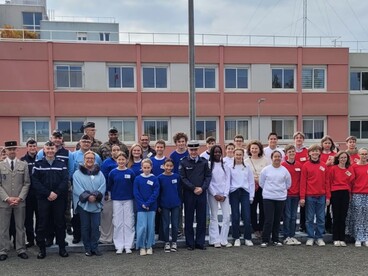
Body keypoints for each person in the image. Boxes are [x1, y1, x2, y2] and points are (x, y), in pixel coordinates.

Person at [32, 141, 69, 259]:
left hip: (59, 198)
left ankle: (62, 248)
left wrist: (56, 193)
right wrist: (48, 193)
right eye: (48, 148)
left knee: (60, 223)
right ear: (44, 149)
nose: (50, 151)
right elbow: (35, 181)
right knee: (42, 223)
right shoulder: (38, 163)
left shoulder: (61, 163)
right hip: (43, 198)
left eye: (52, 148)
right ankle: (42, 249)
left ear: (56, 150)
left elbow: (65, 180)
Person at [36, 130, 74, 244]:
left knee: (61, 215)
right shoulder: (41, 152)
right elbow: (38, 172)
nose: (57, 139)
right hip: (46, 190)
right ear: (51, 138)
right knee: (47, 216)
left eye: (59, 137)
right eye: (55, 137)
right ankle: (49, 238)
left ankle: (60, 239)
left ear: (62, 139)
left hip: (62, 190)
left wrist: (60, 188)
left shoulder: (68, 153)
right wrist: (47, 192)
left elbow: (70, 171)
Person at [0, 141, 30, 261]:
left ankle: (21, 249)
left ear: (16, 150)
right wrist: (7, 198)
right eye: (9, 149)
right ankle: (3, 250)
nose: (12, 151)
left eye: (13, 149)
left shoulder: (23, 165)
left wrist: (20, 198)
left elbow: (26, 183)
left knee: (20, 226)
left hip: (19, 201)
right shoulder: (0, 165)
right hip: (4, 202)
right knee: (3, 227)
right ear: (5, 151)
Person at [180, 140, 212, 250]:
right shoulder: (183, 162)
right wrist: (193, 188)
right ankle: (190, 243)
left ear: (198, 150)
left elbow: (208, 177)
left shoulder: (203, 162)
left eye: (195, 150)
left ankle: (200, 242)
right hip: (189, 194)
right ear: (188, 150)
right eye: (191, 150)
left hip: (201, 194)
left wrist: (202, 188)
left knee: (201, 219)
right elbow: (182, 178)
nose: (193, 152)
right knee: (188, 219)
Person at [73, 151, 106, 256]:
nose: (90, 160)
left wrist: (95, 196)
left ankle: (95, 247)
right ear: (84, 159)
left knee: (96, 226)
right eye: (87, 158)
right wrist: (88, 197)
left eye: (92, 158)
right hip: (84, 205)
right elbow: (77, 188)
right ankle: (87, 248)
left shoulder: (100, 173)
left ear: (94, 160)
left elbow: (103, 186)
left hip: (95, 204)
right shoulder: (77, 173)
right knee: (85, 226)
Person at [72, 134, 102, 244]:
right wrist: (85, 196)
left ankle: (94, 243)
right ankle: (80, 239)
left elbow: (100, 178)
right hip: (80, 195)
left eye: (88, 142)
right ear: (80, 142)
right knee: (80, 220)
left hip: (94, 196)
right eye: (84, 141)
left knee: (94, 223)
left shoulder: (97, 156)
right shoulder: (73, 155)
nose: (86, 143)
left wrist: (95, 195)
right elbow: (71, 173)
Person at [299, 144, 330, 246]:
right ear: (309, 153)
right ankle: (311, 237)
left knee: (321, 217)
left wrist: (328, 197)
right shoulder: (306, 166)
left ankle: (319, 237)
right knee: (309, 218)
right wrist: (302, 197)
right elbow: (303, 182)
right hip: (310, 196)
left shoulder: (324, 165)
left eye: (317, 151)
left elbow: (327, 182)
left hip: (321, 196)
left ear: (319, 153)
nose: (315, 153)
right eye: (313, 151)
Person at [259, 150, 291, 247]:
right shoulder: (266, 170)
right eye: (275, 156)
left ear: (281, 158)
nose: (277, 158)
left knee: (277, 219)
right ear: (272, 158)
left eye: (279, 156)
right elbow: (261, 183)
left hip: (280, 198)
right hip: (268, 197)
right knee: (269, 219)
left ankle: (275, 239)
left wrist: (280, 191)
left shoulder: (284, 170)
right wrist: (270, 190)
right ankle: (265, 240)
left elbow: (288, 184)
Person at [107, 152, 135, 254]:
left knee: (128, 223)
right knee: (118, 223)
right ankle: (119, 246)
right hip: (117, 200)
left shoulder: (131, 172)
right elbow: (109, 185)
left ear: (127, 160)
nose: (121, 161)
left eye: (123, 159)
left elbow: (133, 185)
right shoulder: (113, 173)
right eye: (119, 160)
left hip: (128, 199)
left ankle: (128, 245)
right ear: (116, 161)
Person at [134, 159, 160, 256]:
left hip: (151, 207)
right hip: (141, 207)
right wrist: (142, 204)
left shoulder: (154, 179)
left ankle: (149, 245)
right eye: (144, 167)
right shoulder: (137, 179)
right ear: (141, 168)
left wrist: (148, 204)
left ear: (151, 168)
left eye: (148, 167)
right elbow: (136, 193)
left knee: (150, 227)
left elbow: (155, 192)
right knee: (142, 227)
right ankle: (141, 246)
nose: (146, 169)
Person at [229, 148, 254, 247]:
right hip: (234, 192)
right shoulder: (230, 167)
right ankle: (236, 237)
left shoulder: (247, 167)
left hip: (245, 192)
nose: (238, 156)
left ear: (243, 156)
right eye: (237, 154)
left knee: (247, 216)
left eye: (240, 155)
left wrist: (251, 195)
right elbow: (228, 181)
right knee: (235, 216)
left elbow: (251, 182)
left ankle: (247, 238)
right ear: (234, 155)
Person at [208, 145, 232, 248]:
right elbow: (208, 181)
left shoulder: (225, 165)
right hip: (212, 194)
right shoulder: (209, 165)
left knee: (226, 217)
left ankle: (224, 239)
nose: (217, 154)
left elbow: (228, 180)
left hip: (224, 194)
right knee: (214, 217)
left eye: (219, 152)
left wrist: (225, 194)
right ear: (212, 153)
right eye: (215, 152)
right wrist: (214, 194)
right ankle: (215, 240)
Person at [329, 151, 354, 247]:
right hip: (335, 192)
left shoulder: (349, 169)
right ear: (338, 158)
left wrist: (350, 194)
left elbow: (351, 182)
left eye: (345, 157)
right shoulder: (333, 169)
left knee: (343, 216)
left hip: (345, 193)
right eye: (341, 157)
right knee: (336, 216)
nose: (343, 159)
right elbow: (330, 181)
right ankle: (336, 238)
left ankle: (342, 238)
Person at [244, 140, 269, 238]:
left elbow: (268, 173)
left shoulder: (265, 160)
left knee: (263, 208)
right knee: (252, 208)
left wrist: (260, 179)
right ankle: (255, 229)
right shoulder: (246, 161)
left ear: (260, 149)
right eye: (252, 148)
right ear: (249, 150)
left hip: (263, 187)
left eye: (256, 148)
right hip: (251, 187)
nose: (254, 150)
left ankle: (262, 228)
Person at [158, 159, 181, 253]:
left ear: (173, 167)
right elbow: (158, 192)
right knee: (165, 224)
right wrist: (158, 205)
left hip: (175, 204)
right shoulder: (159, 178)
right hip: (164, 204)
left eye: (171, 166)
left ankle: (174, 242)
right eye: (167, 166)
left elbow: (179, 190)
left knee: (175, 224)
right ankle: (167, 242)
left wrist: (180, 202)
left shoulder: (177, 177)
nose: (169, 168)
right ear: (163, 166)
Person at [99, 144, 121, 245]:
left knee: (117, 217)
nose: (116, 151)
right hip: (109, 193)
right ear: (111, 152)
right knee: (106, 216)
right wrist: (106, 191)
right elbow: (103, 178)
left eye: (117, 149)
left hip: (120, 194)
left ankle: (117, 237)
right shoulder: (106, 162)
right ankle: (105, 238)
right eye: (114, 150)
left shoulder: (124, 161)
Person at [347, 148, 368, 247]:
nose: (364, 156)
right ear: (358, 155)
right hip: (357, 193)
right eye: (362, 154)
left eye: (366, 154)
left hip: (367, 194)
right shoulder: (354, 167)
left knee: (366, 217)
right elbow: (350, 181)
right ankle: (358, 237)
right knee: (358, 217)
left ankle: (366, 237)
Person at [281, 145, 302, 245]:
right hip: (287, 194)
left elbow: (301, 180)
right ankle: (286, 236)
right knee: (287, 215)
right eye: (289, 152)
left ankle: (292, 235)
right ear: (286, 154)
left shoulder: (299, 165)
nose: (292, 153)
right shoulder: (283, 165)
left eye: (293, 151)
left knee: (294, 216)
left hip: (296, 194)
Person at [169, 132, 188, 237]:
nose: (181, 143)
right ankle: (179, 229)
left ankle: (188, 228)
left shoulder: (189, 153)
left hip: (188, 185)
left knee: (188, 207)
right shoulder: (173, 155)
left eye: (183, 141)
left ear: (185, 143)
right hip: (177, 185)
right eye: (179, 141)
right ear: (176, 143)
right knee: (179, 207)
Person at [20, 138, 38, 248]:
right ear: (27, 147)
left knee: (40, 217)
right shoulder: (22, 160)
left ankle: (39, 237)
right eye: (30, 146)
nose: (32, 148)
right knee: (28, 218)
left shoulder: (40, 158)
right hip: (28, 194)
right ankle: (30, 239)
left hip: (39, 194)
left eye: (34, 146)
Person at [320, 135, 337, 234]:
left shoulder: (336, 155)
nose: (327, 145)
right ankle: (323, 226)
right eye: (325, 143)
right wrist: (326, 164)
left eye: (329, 143)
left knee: (331, 207)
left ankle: (330, 226)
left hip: (334, 182)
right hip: (323, 183)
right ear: (322, 144)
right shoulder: (320, 155)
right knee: (323, 207)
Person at [293, 131, 308, 232]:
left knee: (304, 205)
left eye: (300, 138)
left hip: (305, 181)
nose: (299, 139)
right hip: (294, 181)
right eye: (297, 138)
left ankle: (303, 225)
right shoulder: (291, 150)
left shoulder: (306, 151)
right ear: (294, 140)